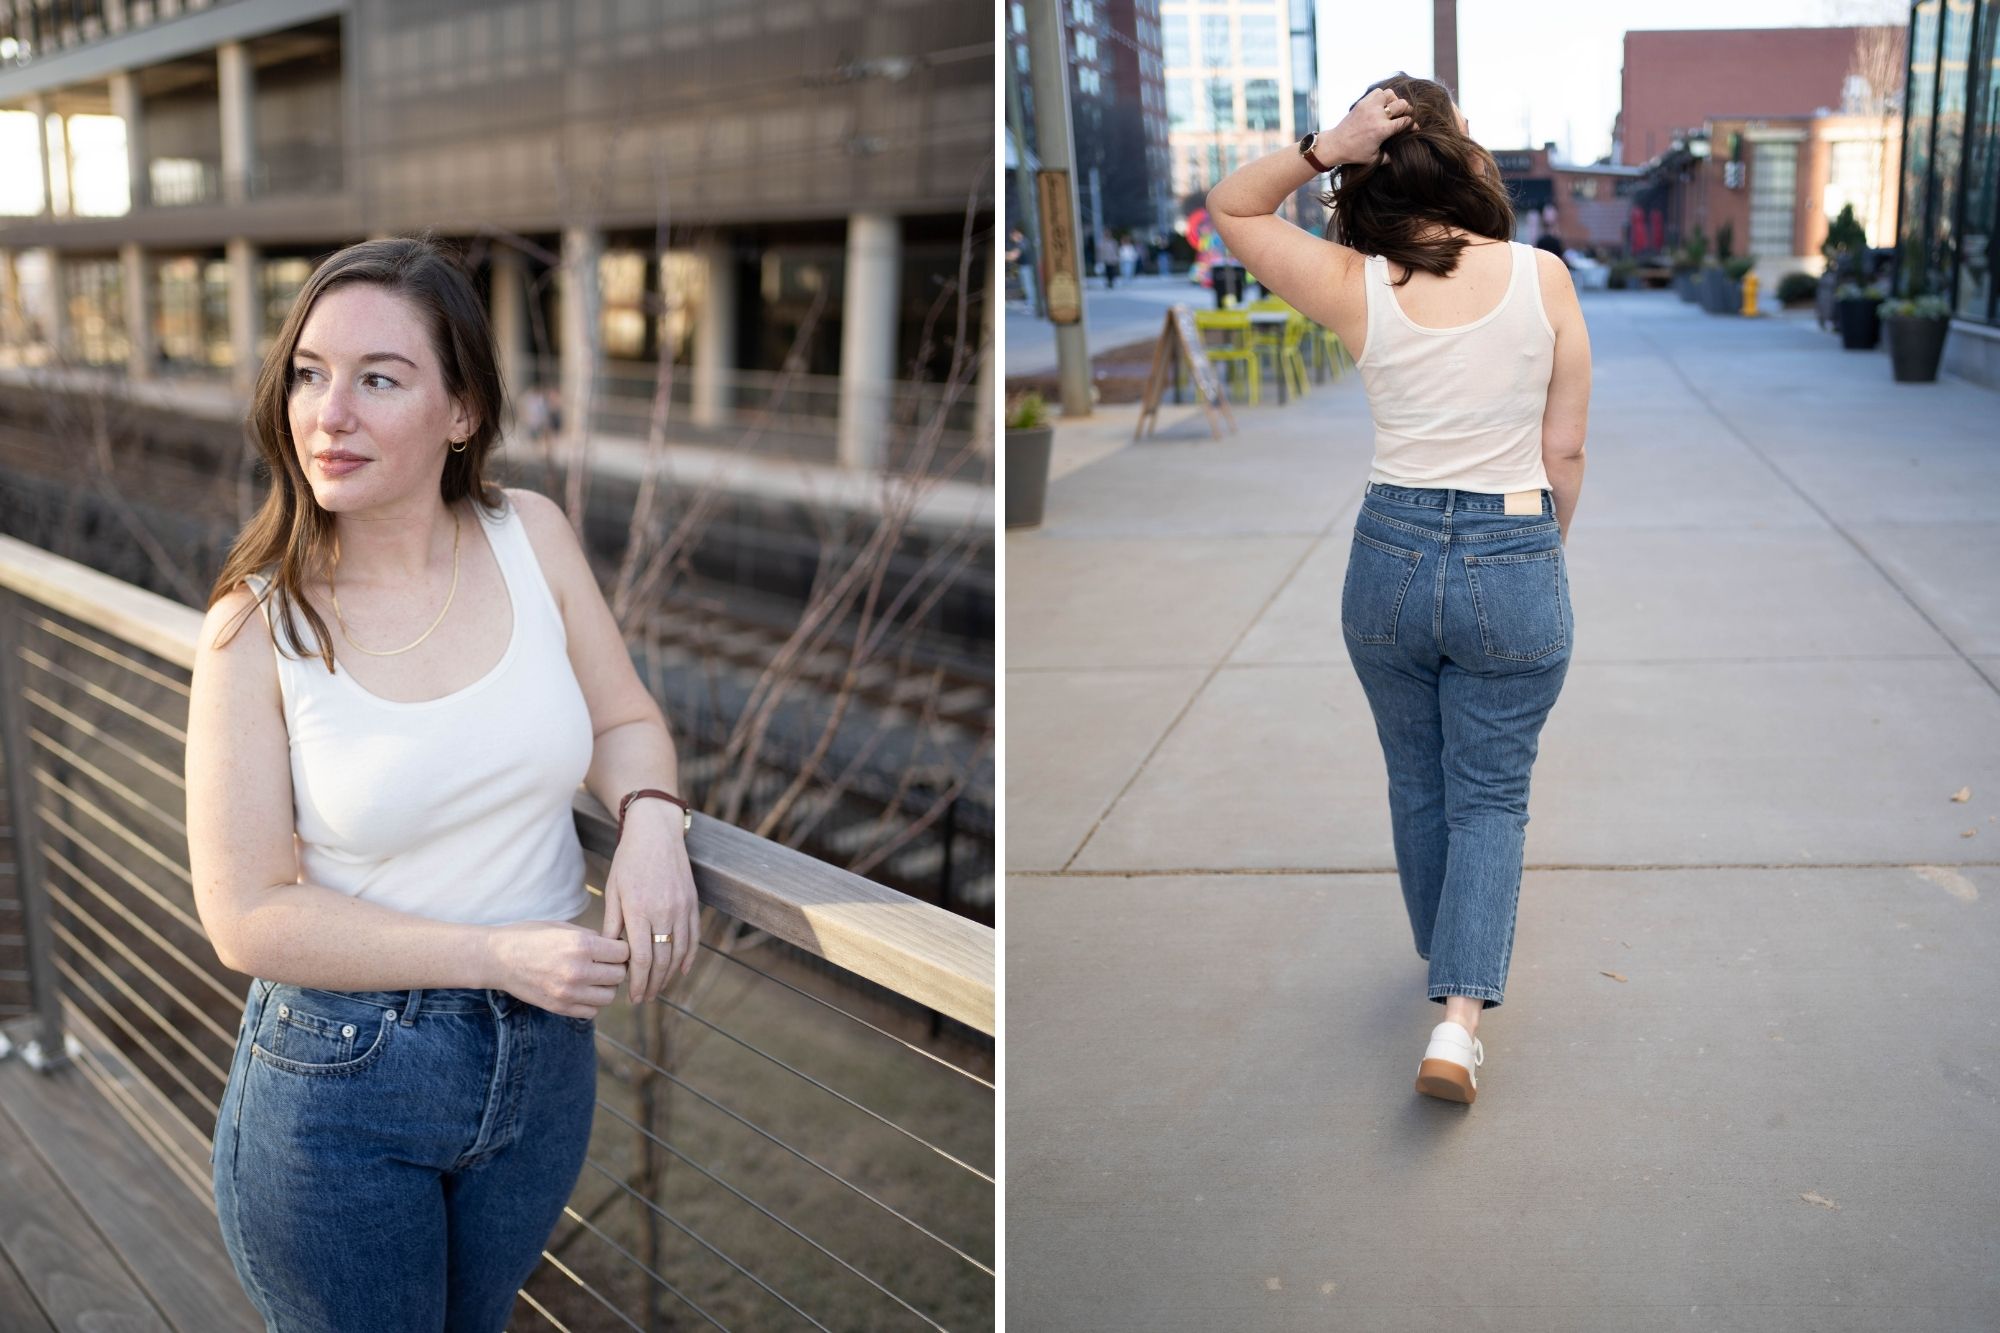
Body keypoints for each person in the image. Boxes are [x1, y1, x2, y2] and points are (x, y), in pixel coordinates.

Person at [184, 233, 702, 1330]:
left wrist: (653, 824)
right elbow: (243, 917)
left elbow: (623, 720)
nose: (331, 413)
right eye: (311, 375)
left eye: (380, 378)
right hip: (342, 1079)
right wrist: (495, 954)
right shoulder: (255, 626)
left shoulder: (532, 537)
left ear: (461, 411)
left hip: (544, 1068)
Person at [1208, 73, 1590, 1107]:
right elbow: (1563, 445)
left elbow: (1229, 206)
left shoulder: (1354, 283)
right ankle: (1456, 1022)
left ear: (1370, 165)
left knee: (1416, 780)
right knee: (1490, 795)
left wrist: (1322, 146)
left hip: (1387, 555)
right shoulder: (1539, 277)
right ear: (1462, 154)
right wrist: (1530, 556)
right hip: (1511, 542)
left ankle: (1444, 960)